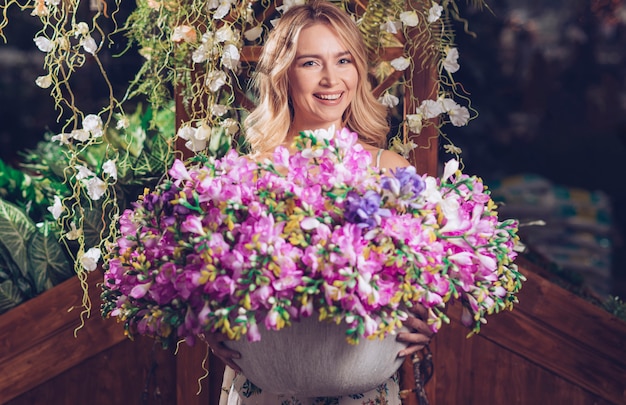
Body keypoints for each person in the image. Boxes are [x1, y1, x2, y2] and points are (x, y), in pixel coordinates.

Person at [207, 1, 434, 403]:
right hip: (268, 386)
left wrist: (427, 317)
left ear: (358, 70)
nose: (331, 79)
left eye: (343, 60)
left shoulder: (390, 170)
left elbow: (423, 276)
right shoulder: (248, 174)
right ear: (284, 75)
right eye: (311, 63)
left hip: (364, 389)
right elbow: (209, 279)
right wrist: (208, 320)